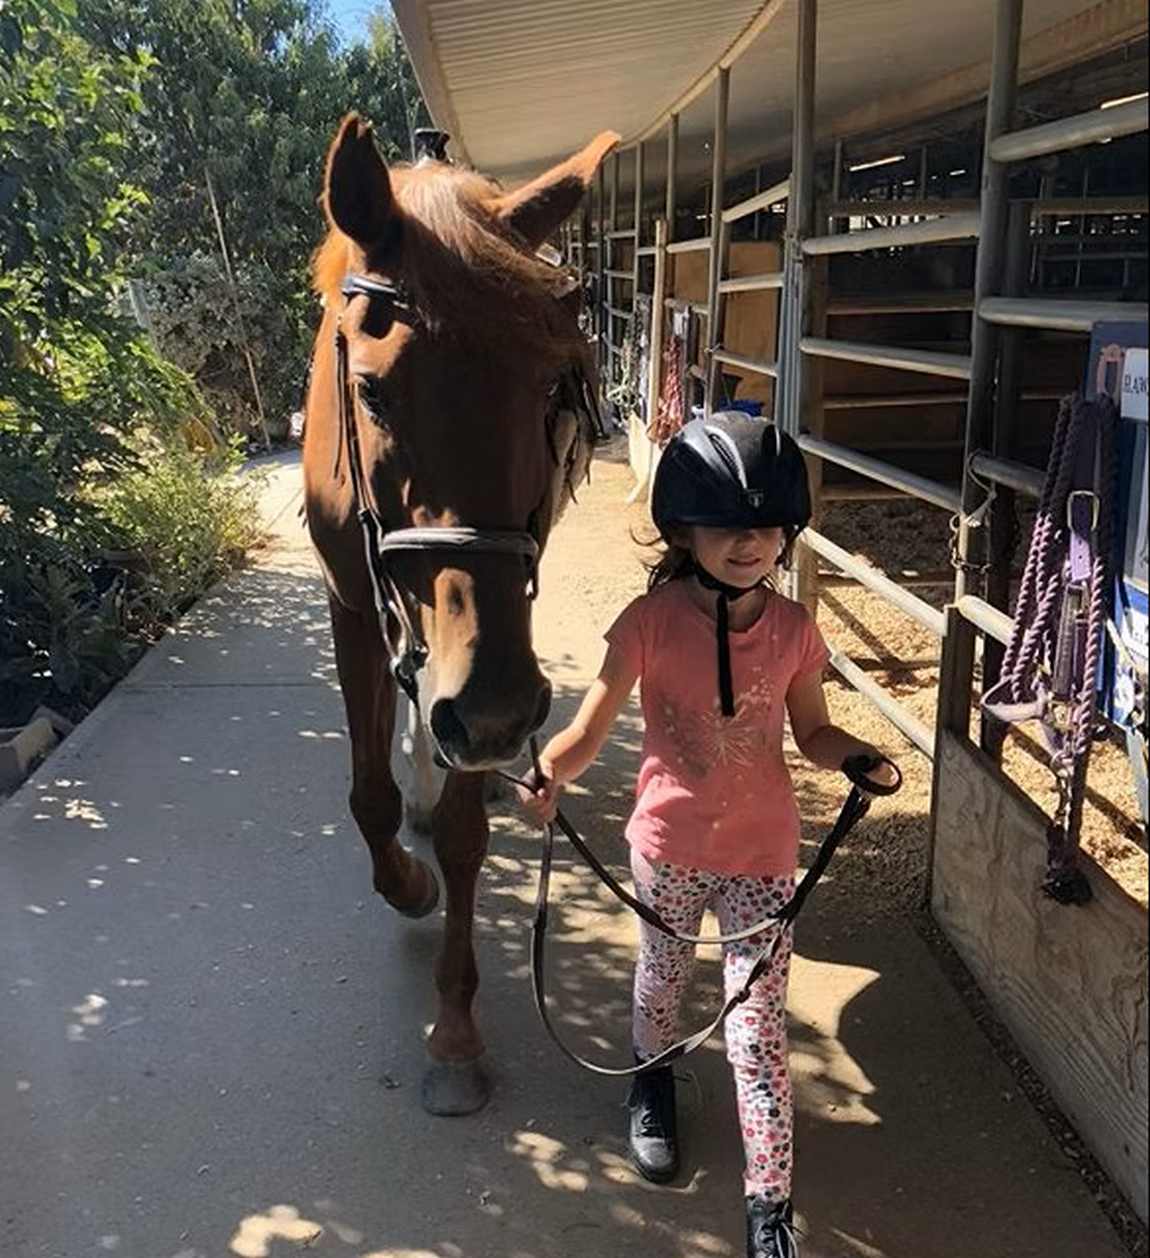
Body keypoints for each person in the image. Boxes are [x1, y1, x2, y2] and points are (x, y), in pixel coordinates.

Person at [517, 412, 898, 1258]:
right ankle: (651, 1080)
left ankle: (769, 1206)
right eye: (726, 524)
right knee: (660, 980)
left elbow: (813, 734)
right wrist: (553, 771)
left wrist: (857, 757)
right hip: (668, 847)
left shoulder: (796, 630)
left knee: (756, 1029)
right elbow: (589, 729)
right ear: (685, 528)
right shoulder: (648, 621)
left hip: (764, 857)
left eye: (765, 525)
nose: (749, 541)